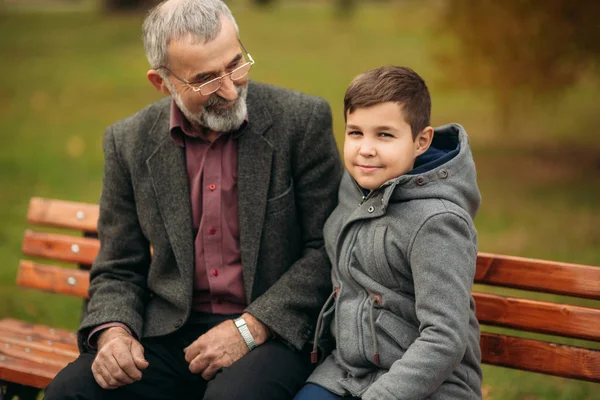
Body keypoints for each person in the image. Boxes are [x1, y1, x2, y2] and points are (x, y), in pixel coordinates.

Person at [44, 0, 343, 399]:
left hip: (272, 330)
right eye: (204, 80)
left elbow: (328, 248)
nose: (229, 88)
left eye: (236, 65)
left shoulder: (301, 121)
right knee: (70, 391)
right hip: (169, 332)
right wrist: (114, 334)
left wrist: (251, 326)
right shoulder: (129, 142)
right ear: (162, 82)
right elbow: (118, 267)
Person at [294, 66, 483, 400]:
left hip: (430, 387)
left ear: (421, 141)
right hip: (347, 374)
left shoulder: (436, 222)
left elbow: (445, 338)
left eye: (384, 135)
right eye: (356, 133)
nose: (366, 149)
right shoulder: (353, 191)